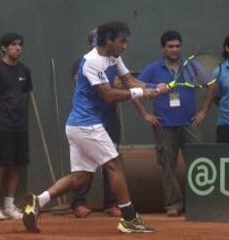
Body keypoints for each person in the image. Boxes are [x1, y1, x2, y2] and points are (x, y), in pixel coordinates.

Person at [22, 21, 169, 233]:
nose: (125, 46)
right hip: (86, 125)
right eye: (122, 41)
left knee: (81, 177)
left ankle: (39, 201)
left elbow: (129, 81)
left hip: (79, 125)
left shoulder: (114, 57)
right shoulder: (91, 62)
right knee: (114, 165)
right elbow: (108, 95)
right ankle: (129, 219)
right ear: (108, 40)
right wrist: (141, 93)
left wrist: (155, 88)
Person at [138, 30, 216, 217]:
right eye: (170, 46)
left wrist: (203, 111)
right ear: (163, 48)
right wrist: (146, 115)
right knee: (167, 167)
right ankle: (173, 205)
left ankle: (199, 204)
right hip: (164, 126)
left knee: (199, 164)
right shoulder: (153, 68)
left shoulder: (191, 67)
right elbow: (136, 89)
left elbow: (212, 85)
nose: (174, 49)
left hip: (190, 125)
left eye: (177, 46)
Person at [70, 29, 121, 218]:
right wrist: (114, 85)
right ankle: (78, 202)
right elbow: (104, 88)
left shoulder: (114, 61)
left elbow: (122, 82)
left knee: (112, 163)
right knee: (85, 167)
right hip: (88, 122)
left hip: (110, 121)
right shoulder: (84, 62)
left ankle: (111, 203)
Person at [0, 32, 33, 221]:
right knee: (0, 165)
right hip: (1, 125)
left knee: (17, 166)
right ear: (3, 48)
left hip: (20, 126)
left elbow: (24, 95)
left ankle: (9, 206)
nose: (18, 48)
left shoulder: (25, 71)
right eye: (13, 44)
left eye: (20, 44)